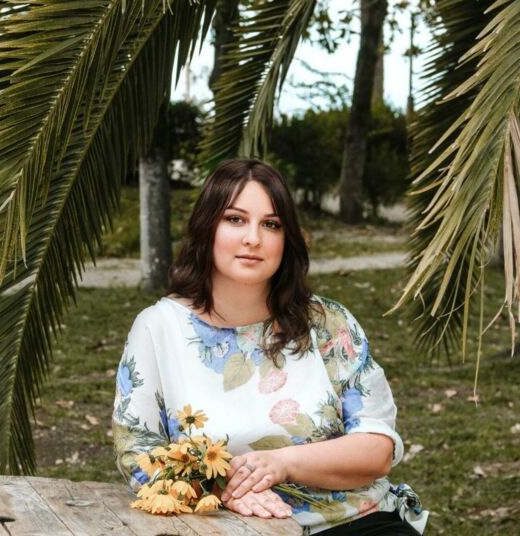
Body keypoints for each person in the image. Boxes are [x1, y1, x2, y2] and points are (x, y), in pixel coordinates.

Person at [112, 158, 427, 534]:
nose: (253, 239)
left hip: (353, 521)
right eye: (235, 219)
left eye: (271, 224)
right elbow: (138, 456)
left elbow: (376, 451)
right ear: (207, 227)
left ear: (286, 239)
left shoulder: (327, 324)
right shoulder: (159, 328)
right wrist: (222, 491)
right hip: (223, 525)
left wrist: (281, 464)